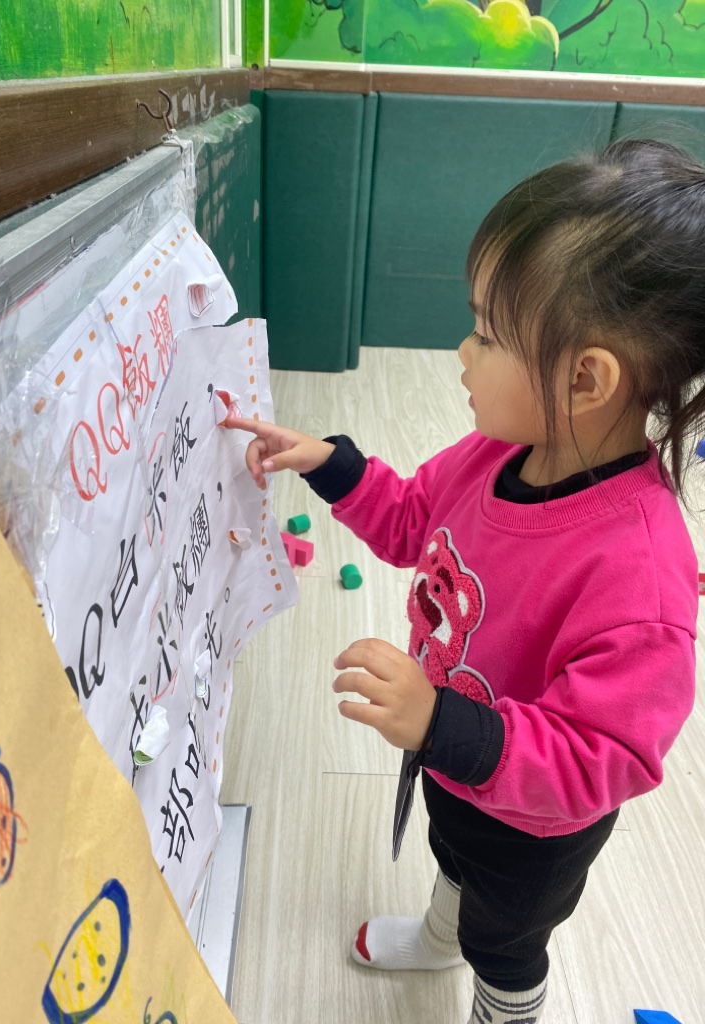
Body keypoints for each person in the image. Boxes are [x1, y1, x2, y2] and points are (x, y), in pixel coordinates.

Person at [225, 138, 703, 1024]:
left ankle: (498, 999)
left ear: (586, 378)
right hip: (455, 760)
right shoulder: (496, 453)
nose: (461, 350)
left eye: (486, 333)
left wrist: (445, 725)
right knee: (450, 860)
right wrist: (331, 464)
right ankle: (440, 939)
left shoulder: (639, 573)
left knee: (505, 941)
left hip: (534, 830)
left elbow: (606, 758)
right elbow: (414, 520)